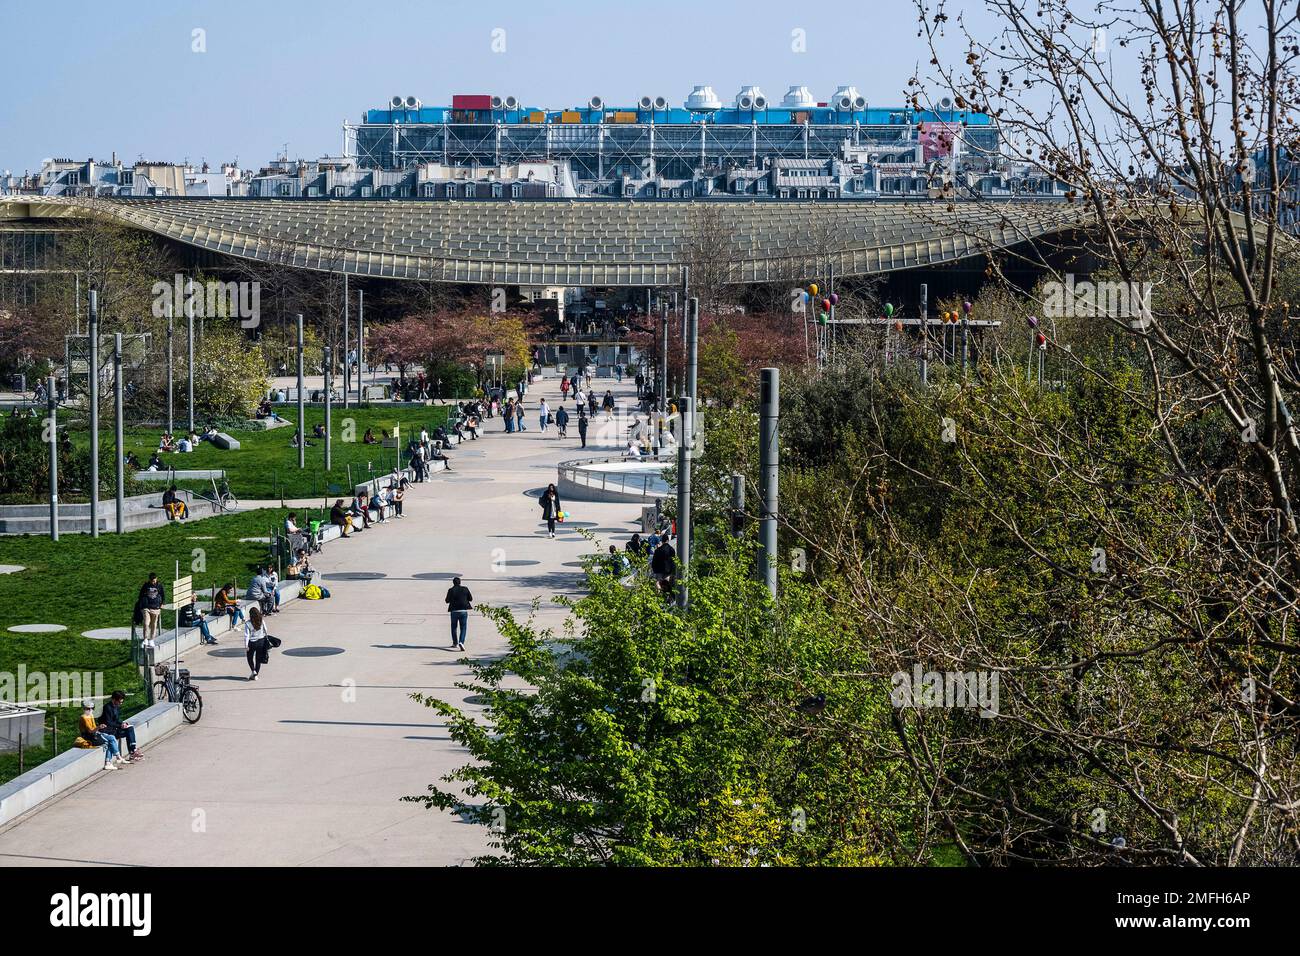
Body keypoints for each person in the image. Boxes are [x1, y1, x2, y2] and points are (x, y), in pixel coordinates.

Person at [75, 700, 122, 770]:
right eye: (88, 708)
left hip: (95, 734)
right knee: (109, 742)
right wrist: (99, 727)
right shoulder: (84, 717)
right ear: (84, 709)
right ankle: (113, 759)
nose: (90, 710)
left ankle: (114, 759)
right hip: (89, 737)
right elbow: (90, 731)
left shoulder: (90, 715)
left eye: (92, 708)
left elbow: (94, 727)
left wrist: (100, 727)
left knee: (112, 737)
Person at [101, 691, 143, 761]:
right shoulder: (107, 708)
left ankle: (133, 750)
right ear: (114, 699)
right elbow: (108, 722)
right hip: (108, 732)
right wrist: (120, 726)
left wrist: (123, 723)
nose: (120, 704)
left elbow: (117, 719)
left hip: (114, 730)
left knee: (130, 728)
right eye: (119, 702)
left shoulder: (116, 707)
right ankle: (133, 752)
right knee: (128, 731)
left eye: (121, 702)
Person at [135, 573, 165, 645]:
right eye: (152, 581)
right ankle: (145, 639)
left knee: (154, 624)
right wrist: (142, 604)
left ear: (156, 579)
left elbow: (163, 595)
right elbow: (141, 595)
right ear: (149, 580)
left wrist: (162, 603)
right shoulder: (146, 585)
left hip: (156, 607)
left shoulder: (159, 586)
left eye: (154, 581)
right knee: (146, 623)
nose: (153, 582)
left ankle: (151, 639)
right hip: (146, 607)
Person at [445, 576, 473, 651]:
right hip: (463, 611)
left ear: (453, 583)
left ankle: (455, 643)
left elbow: (447, 601)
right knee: (463, 628)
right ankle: (461, 642)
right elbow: (470, 599)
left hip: (454, 611)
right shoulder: (465, 589)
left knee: (454, 627)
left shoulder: (451, 590)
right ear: (460, 582)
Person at [244, 606, 269, 681]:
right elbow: (266, 630)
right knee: (258, 659)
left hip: (252, 643)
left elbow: (246, 635)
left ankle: (253, 671)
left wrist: (246, 645)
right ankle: (256, 674)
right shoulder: (261, 620)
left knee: (249, 658)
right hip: (261, 641)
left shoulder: (248, 623)